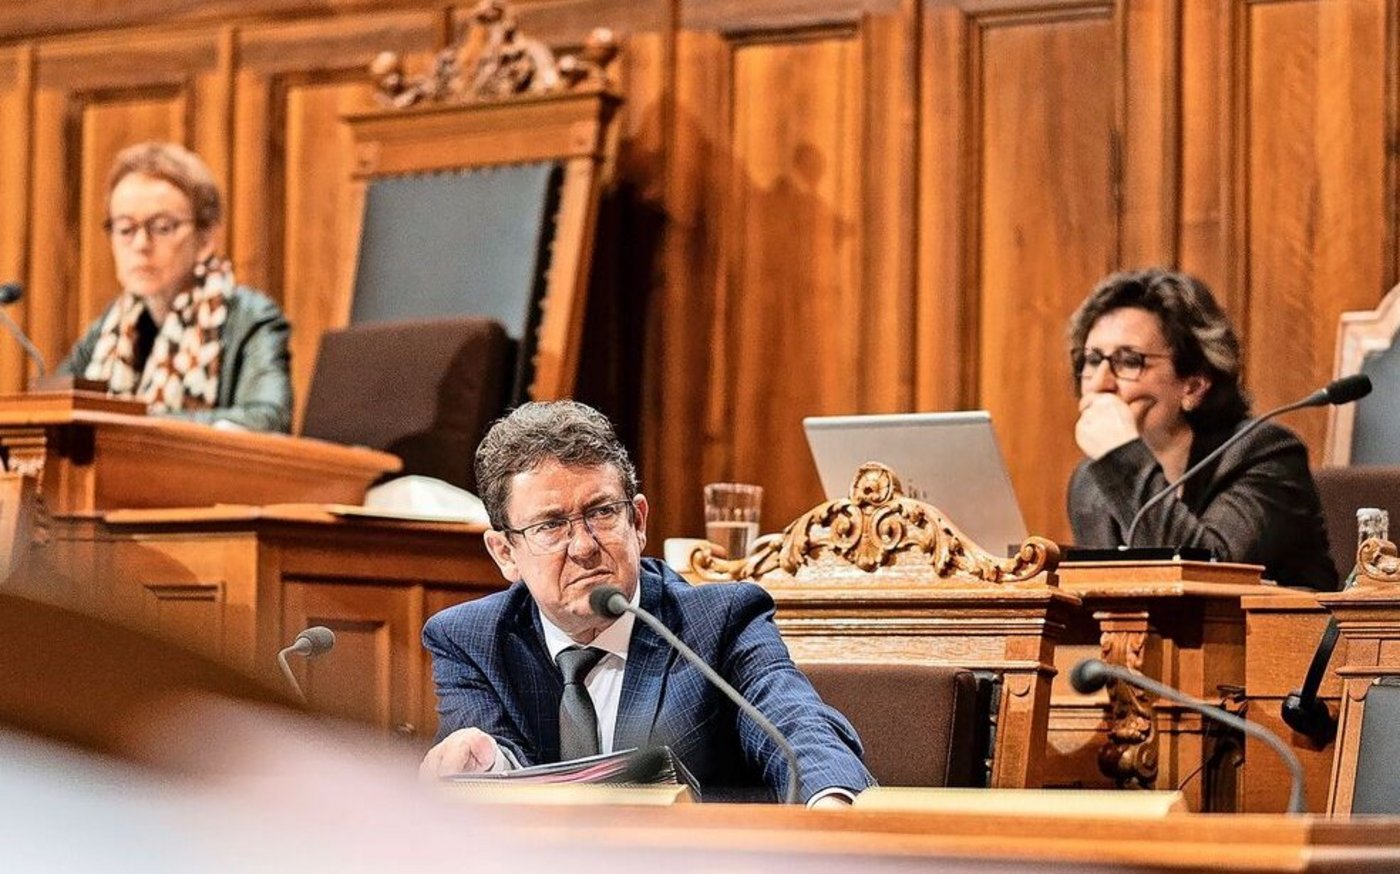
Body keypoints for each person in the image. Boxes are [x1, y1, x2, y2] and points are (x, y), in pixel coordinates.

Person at [419, 400, 875, 805]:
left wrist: (831, 807)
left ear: (637, 521)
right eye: (551, 525)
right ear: (505, 553)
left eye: (602, 512)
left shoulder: (720, 622)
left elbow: (798, 728)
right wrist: (481, 760)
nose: (583, 546)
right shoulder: (469, 640)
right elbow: (494, 764)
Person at [1065, 268, 1337, 590]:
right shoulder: (1091, 482)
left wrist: (1121, 458)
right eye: (1093, 360)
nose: (1099, 383)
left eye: (1129, 361)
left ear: (1193, 386)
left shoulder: (1264, 455)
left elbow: (1206, 579)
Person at [56, 141, 292, 433]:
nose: (141, 245)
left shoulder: (250, 318)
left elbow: (268, 419)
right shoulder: (111, 329)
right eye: (126, 229)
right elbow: (55, 408)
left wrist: (133, 423)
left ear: (206, 239)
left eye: (162, 227)